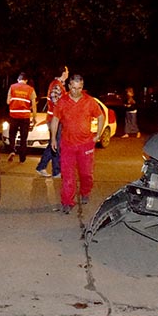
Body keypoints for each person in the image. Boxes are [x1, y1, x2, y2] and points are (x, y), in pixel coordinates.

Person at [50, 74, 104, 214]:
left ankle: (85, 192)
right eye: (73, 88)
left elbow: (100, 116)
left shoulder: (89, 101)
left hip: (86, 145)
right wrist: (53, 139)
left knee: (86, 174)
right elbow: (55, 120)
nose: (76, 91)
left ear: (82, 87)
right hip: (67, 144)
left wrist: (98, 135)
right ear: (69, 86)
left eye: (79, 88)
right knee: (68, 175)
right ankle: (67, 201)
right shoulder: (62, 101)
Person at [35, 65, 69, 178]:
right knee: (56, 145)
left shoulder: (59, 85)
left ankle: (41, 166)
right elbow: (56, 102)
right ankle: (56, 171)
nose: (68, 73)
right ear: (63, 73)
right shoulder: (56, 85)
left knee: (53, 144)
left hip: (56, 119)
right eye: (67, 71)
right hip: (55, 119)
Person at [6, 72, 37, 163]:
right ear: (26, 81)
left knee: (12, 135)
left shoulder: (12, 87)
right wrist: (34, 118)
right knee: (23, 138)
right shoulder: (30, 89)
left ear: (18, 80)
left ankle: (12, 150)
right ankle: (22, 158)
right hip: (25, 117)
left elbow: (8, 102)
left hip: (13, 115)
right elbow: (34, 105)